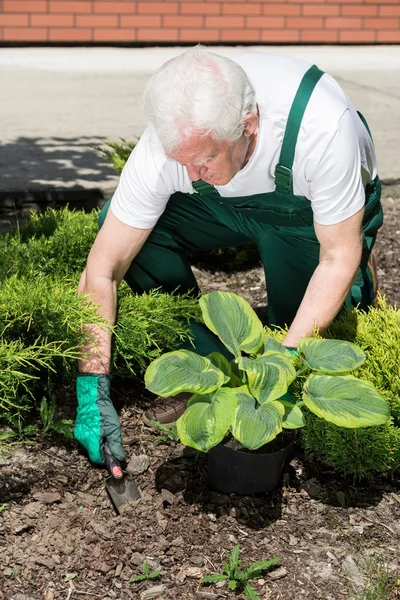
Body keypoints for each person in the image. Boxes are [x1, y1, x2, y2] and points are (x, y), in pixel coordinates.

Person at [73, 46, 383, 465]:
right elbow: (103, 269)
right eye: (179, 160)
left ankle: (360, 285)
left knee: (303, 325)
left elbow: (336, 258)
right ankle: (207, 359)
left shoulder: (323, 129)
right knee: (126, 228)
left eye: (203, 159)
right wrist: (91, 385)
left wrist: (283, 362)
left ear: (248, 125)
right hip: (220, 208)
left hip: (306, 215)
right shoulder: (176, 145)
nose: (189, 175)